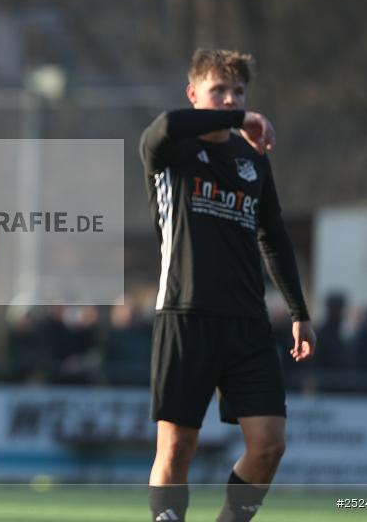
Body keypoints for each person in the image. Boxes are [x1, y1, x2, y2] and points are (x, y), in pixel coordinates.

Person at [139, 49, 316, 522]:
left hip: (247, 322)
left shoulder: (251, 160)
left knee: (269, 445)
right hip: (185, 313)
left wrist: (299, 312)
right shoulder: (171, 150)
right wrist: (244, 117)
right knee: (177, 448)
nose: (231, 99)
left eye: (239, 92)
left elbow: (273, 237)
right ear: (193, 93)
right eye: (220, 91)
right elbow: (161, 126)